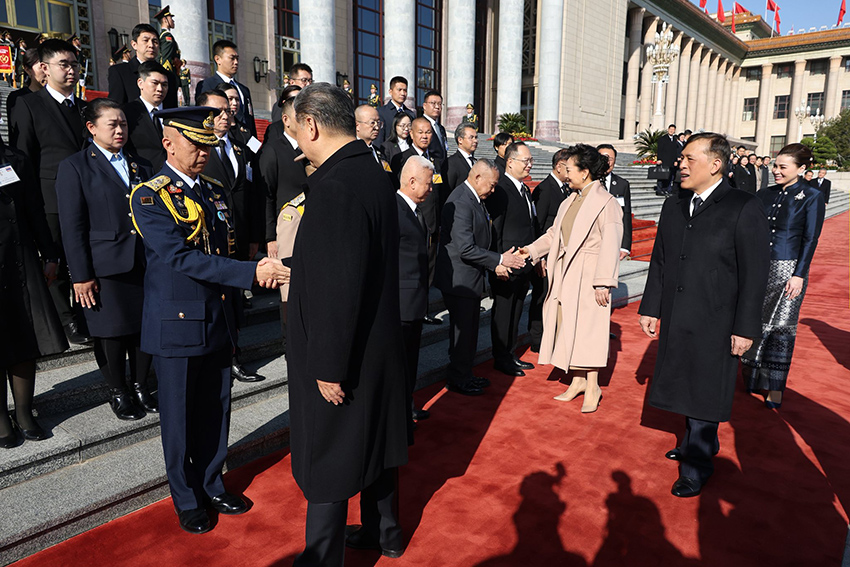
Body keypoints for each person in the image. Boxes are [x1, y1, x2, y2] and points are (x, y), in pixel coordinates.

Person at [130, 105, 289, 534]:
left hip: (217, 317)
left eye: (208, 145)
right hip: (178, 324)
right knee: (179, 418)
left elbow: (227, 252)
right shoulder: (150, 196)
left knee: (216, 410)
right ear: (168, 143)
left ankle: (212, 482)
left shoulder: (215, 192)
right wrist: (249, 274)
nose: (203, 152)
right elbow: (180, 257)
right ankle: (186, 497)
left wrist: (260, 263)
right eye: (195, 144)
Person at [286, 83, 408, 566]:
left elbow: (339, 287)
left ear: (312, 124)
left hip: (344, 352)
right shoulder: (371, 171)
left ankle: (322, 558)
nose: (294, 137)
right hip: (377, 342)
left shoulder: (336, 186)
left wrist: (328, 365)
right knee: (376, 443)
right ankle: (387, 533)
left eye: (294, 128)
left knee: (328, 456)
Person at [638, 133, 769, 498]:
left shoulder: (743, 205)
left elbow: (755, 272)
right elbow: (660, 261)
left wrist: (745, 328)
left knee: (705, 391)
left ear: (715, 165)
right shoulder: (674, 206)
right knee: (683, 382)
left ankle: (696, 466)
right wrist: (650, 307)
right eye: (681, 158)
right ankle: (699, 443)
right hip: (679, 315)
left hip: (719, 319)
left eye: (689, 158)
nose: (680, 164)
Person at [56, 98, 156, 421]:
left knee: (144, 328)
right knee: (111, 332)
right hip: (104, 264)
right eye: (112, 124)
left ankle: (142, 385)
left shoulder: (142, 165)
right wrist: (80, 274)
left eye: (123, 123)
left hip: (142, 262)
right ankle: (119, 392)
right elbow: (72, 227)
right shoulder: (76, 167)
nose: (119, 129)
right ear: (91, 128)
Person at [517, 144, 623, 412]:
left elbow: (611, 242)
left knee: (589, 330)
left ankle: (593, 384)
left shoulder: (606, 202)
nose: (565, 172)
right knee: (569, 326)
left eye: (570, 167)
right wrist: (530, 250)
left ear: (585, 172)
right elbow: (554, 235)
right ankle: (577, 381)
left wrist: (603, 282)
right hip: (565, 274)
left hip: (590, 275)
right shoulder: (569, 200)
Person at [11, 39, 90, 346]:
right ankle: (66, 318)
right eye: (65, 65)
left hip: (87, 196)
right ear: (44, 68)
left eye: (75, 65)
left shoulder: (85, 108)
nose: (72, 71)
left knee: (83, 257)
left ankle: (85, 314)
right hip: (50, 197)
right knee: (55, 258)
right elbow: (24, 157)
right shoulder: (29, 105)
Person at [742, 143, 826, 409]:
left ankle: (775, 387)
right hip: (759, 268)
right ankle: (751, 376)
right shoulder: (763, 194)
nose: (775, 171)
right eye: (774, 166)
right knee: (753, 321)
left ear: (801, 169)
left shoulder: (811, 197)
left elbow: (810, 238)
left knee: (781, 329)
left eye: (782, 167)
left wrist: (799, 274)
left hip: (789, 271)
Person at [435, 160, 526, 396]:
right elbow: (465, 248)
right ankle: (458, 378)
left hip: (470, 277)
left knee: (469, 331)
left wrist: (496, 261)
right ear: (477, 178)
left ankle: (465, 374)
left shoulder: (473, 197)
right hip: (460, 280)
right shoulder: (461, 201)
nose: (493, 190)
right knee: (463, 333)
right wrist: (499, 260)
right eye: (492, 185)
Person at [0, 136, 68, 448]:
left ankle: (25, 413)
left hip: (19, 260)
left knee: (25, 336)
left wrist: (50, 254)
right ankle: (1, 419)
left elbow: (34, 210)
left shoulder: (16, 158)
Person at [197, 90, 265, 383]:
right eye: (217, 111)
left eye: (227, 110)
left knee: (236, 303)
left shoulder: (239, 146)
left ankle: (235, 356)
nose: (225, 116)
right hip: (211, 239)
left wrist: (253, 238)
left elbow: (249, 195)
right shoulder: (197, 148)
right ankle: (218, 357)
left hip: (239, 237)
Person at [487, 142, 539, 377]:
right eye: (525, 160)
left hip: (524, 265)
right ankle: (501, 357)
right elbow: (495, 230)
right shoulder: (501, 189)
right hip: (506, 265)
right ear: (510, 162)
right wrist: (498, 262)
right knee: (504, 312)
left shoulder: (524, 190)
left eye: (531, 161)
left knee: (517, 310)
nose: (529, 165)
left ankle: (510, 353)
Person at [397, 156, 435, 425]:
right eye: (428, 183)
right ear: (412, 182)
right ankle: (399, 412)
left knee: (410, 362)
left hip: (414, 301)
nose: (431, 188)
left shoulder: (414, 210)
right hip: (400, 303)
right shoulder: (394, 209)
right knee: (400, 364)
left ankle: (406, 406)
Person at [394, 117, 444, 324]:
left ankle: (423, 309)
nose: (425, 136)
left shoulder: (437, 159)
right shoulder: (402, 158)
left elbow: (441, 191)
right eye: (421, 132)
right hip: (410, 219)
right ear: (411, 134)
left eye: (429, 132)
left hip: (430, 222)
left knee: (428, 268)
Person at [527, 149, 570, 352]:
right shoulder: (545, 188)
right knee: (541, 296)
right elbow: (539, 224)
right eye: (568, 167)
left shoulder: (565, 189)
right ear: (559, 166)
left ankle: (551, 336)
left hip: (558, 255)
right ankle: (537, 340)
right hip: (544, 256)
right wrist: (539, 257)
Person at [195, 40, 256, 138]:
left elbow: (250, 120)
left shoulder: (244, 90)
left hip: (245, 141)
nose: (236, 62)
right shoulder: (207, 85)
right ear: (218, 59)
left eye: (237, 58)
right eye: (232, 58)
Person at [107, 24, 178, 109]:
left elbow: (172, 110)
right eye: (146, 40)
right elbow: (115, 108)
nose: (151, 45)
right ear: (134, 44)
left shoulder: (168, 76)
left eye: (155, 41)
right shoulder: (120, 72)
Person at [123, 60, 170, 172]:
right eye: (155, 83)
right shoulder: (126, 113)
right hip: (142, 176)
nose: (160, 89)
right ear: (140, 83)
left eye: (164, 85)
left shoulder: (173, 113)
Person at [597, 144, 633, 260]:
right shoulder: (587, 182)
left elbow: (626, 215)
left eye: (610, 159)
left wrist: (625, 246)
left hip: (612, 241)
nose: (606, 162)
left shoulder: (622, 184)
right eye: (603, 158)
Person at [6, 48, 46, 126]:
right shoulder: (18, 98)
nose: (46, 72)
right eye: (41, 67)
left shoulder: (56, 97)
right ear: (28, 69)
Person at [442, 123, 478, 205]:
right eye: (471, 137)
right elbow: (446, 192)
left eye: (476, 137)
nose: (475, 141)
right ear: (460, 140)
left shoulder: (475, 162)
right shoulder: (451, 162)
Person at [376, 76, 415, 147]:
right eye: (399, 90)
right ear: (390, 91)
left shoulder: (411, 114)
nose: (403, 93)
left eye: (405, 90)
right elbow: (378, 140)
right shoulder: (381, 112)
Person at [422, 90, 448, 164]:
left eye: (439, 104)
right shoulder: (419, 124)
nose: (437, 107)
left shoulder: (441, 128)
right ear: (424, 106)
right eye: (433, 103)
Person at [154, 5, 180, 73]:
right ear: (165, 20)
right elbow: (166, 58)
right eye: (170, 18)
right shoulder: (166, 36)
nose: (173, 20)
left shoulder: (165, 35)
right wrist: (167, 75)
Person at [656, 124, 679, 195]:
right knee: (662, 176)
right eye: (670, 129)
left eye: (673, 130)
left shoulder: (675, 140)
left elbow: (675, 151)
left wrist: (675, 160)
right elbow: (659, 150)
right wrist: (659, 159)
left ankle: (666, 189)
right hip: (664, 160)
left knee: (669, 176)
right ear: (668, 130)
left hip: (671, 161)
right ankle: (659, 190)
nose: (671, 131)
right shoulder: (663, 139)